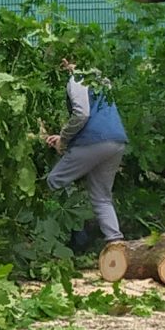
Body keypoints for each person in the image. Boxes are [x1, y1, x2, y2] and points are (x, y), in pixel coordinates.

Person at [41, 62, 129, 247]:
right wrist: (63, 138)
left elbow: (82, 114)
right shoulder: (102, 80)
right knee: (102, 197)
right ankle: (116, 244)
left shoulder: (77, 78)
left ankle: (53, 233)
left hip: (93, 141)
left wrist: (63, 140)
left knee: (53, 181)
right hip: (116, 140)